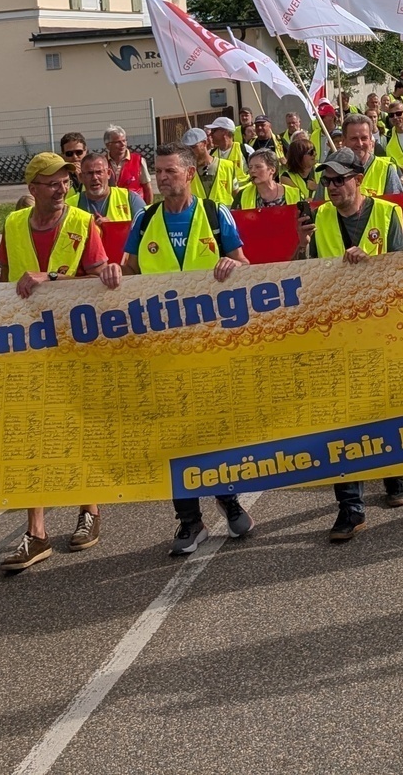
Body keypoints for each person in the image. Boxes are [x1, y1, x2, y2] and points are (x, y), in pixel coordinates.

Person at [123, 143, 257, 550]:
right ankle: (189, 520)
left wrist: (233, 265)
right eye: (157, 173)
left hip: (210, 346)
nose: (162, 179)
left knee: (213, 430)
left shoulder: (215, 215)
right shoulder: (145, 221)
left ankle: (229, 501)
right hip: (163, 349)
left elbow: (245, 266)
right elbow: (128, 273)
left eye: (169, 172)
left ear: (188, 174)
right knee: (173, 435)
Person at [0, 152, 121, 571]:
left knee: (78, 424)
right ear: (32, 188)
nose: (62, 188)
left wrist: (52, 280)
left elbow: (99, 281)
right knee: (30, 432)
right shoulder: (13, 223)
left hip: (73, 341)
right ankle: (37, 532)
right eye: (52, 182)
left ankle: (89, 509)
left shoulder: (83, 224)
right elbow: (1, 281)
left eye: (66, 181)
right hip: (27, 343)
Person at [302, 149, 403, 542]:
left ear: (358, 178)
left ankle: (394, 473)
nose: (331, 187)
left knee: (382, 410)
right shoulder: (321, 218)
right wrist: (303, 249)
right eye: (326, 181)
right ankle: (350, 508)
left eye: (338, 180)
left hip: (380, 329)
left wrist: (372, 263)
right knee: (341, 420)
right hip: (338, 331)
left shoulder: (386, 214)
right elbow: (310, 275)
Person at [67, 151, 136, 252]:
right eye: (90, 173)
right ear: (81, 177)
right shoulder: (69, 205)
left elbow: (144, 234)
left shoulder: (129, 198)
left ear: (108, 174)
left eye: (99, 172)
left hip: (120, 264)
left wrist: (113, 228)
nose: (95, 178)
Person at [342, 114, 403, 196]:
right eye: (354, 139)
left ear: (371, 140)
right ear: (343, 141)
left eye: (364, 138)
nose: (359, 144)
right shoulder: (330, 171)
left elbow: (398, 205)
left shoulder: (386, 169)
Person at [184, 126, 243, 205]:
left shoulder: (227, 166)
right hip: (200, 216)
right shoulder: (186, 172)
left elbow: (236, 196)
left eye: (193, 147)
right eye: (186, 148)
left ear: (204, 143)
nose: (190, 151)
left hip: (223, 215)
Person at [237, 149, 305, 209]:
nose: (252, 170)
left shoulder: (294, 194)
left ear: (272, 170)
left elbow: (306, 221)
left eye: (258, 167)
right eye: (250, 167)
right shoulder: (243, 195)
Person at [102, 123, 153, 204]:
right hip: (112, 208)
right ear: (108, 145)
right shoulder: (102, 162)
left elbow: (147, 188)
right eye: (118, 142)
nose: (123, 144)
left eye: (124, 140)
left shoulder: (138, 160)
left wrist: (148, 210)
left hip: (135, 207)